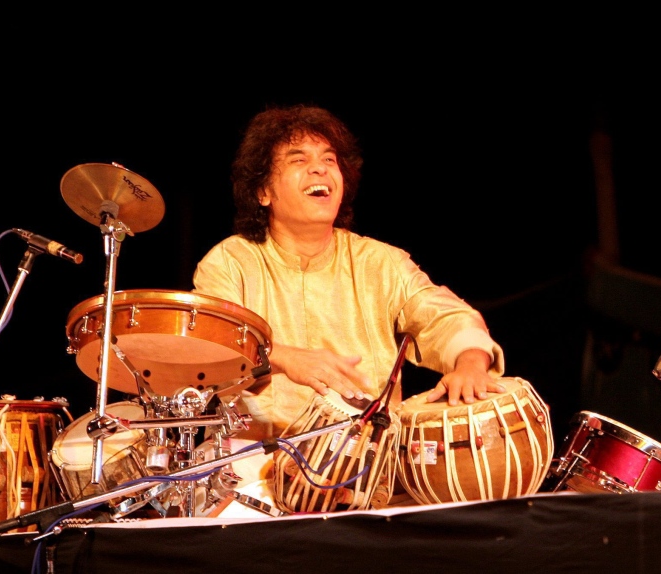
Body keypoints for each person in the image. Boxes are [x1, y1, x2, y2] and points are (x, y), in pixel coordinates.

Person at [191, 103, 506, 446]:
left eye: (329, 160)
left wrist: (472, 364)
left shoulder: (381, 262)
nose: (320, 170)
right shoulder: (229, 262)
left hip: (367, 462)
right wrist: (281, 356)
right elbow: (208, 347)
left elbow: (446, 317)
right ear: (263, 192)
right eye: (299, 160)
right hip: (253, 461)